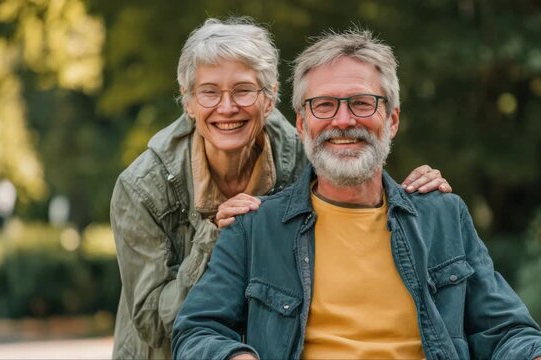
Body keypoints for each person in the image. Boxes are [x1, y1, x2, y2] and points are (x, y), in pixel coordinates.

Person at [171, 29, 541, 360]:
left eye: (363, 103)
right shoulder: (254, 227)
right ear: (301, 123)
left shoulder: (443, 217)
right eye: (324, 105)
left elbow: (506, 331)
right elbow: (197, 331)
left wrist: (540, 356)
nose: (344, 120)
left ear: (393, 119)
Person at [110, 18, 451, 359]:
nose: (227, 107)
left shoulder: (304, 155)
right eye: (209, 92)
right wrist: (213, 235)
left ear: (270, 98)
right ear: (188, 102)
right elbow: (153, 324)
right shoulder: (143, 187)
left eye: (243, 90)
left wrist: (417, 197)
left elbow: (358, 157)